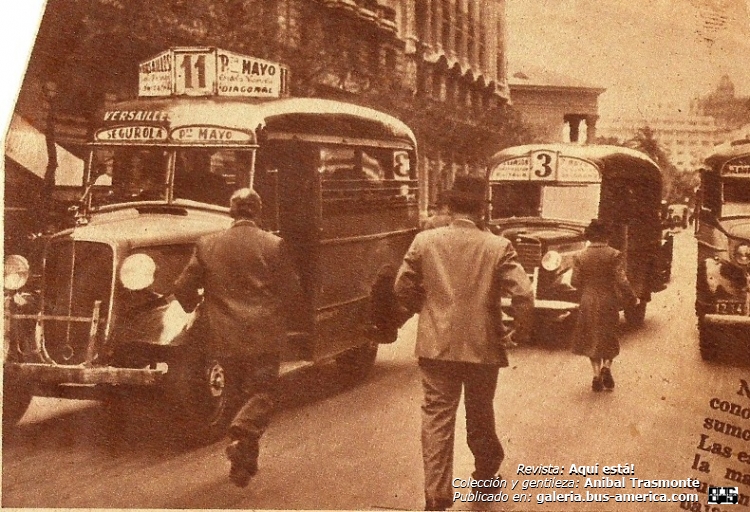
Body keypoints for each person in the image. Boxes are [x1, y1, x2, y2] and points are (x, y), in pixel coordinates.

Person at [393, 175, 534, 511]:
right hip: (483, 346)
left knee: (437, 417)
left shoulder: (424, 241)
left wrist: (425, 310)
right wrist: (520, 333)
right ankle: (485, 477)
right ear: (481, 211)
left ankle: (436, 495)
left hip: (436, 346)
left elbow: (401, 286)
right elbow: (524, 294)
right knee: (480, 411)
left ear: (450, 206)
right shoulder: (498, 246)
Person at [174, 188, 302, 487]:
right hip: (263, 335)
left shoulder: (207, 245)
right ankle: (243, 436)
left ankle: (242, 466)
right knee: (262, 394)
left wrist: (200, 308)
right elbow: (292, 290)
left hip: (223, 337)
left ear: (231, 211)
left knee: (240, 396)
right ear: (258, 211)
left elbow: (181, 288)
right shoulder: (274, 245)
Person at [570, 219, 638, 392]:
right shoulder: (614, 254)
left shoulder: (579, 256)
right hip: (608, 300)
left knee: (592, 338)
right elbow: (622, 280)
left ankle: (595, 375)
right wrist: (632, 297)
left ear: (590, 236)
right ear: (607, 235)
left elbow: (575, 282)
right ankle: (606, 366)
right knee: (608, 336)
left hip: (588, 301)